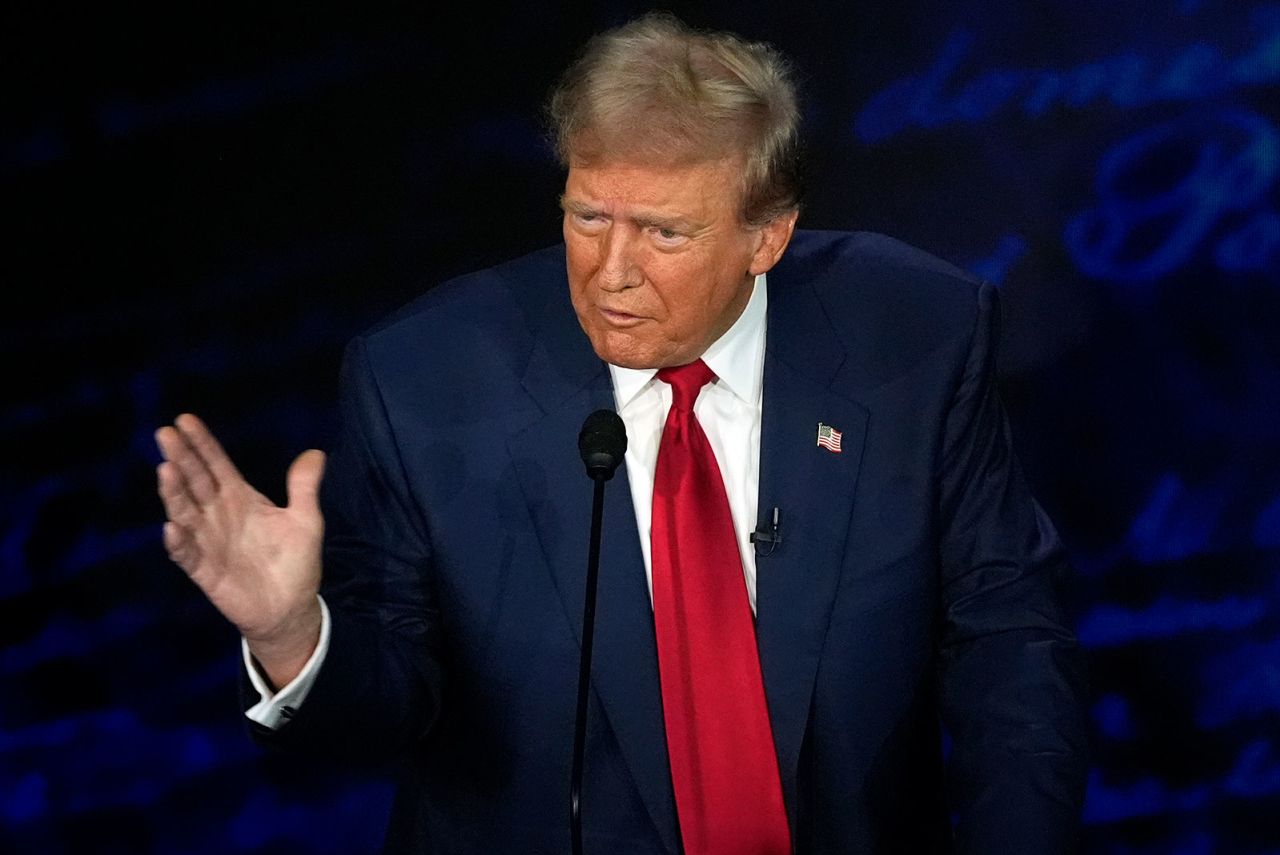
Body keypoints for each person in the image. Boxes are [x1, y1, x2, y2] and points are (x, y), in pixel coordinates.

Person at [155, 13, 1087, 855]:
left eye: (666, 234)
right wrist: (291, 634)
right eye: (588, 216)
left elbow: (1007, 638)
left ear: (768, 236)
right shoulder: (424, 382)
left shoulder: (916, 332)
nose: (612, 272)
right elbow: (385, 711)